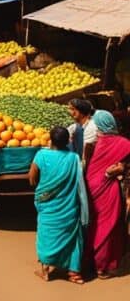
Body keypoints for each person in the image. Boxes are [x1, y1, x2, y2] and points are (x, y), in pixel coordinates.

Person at [29, 127, 89, 284]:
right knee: (74, 237)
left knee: (46, 235)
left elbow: (32, 178)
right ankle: (74, 274)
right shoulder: (73, 158)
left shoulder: (41, 155)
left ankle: (45, 271)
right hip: (69, 206)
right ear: (67, 141)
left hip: (47, 204)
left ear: (51, 139)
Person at [84, 110, 130, 279]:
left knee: (96, 224)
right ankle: (104, 265)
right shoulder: (123, 143)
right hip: (108, 187)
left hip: (92, 188)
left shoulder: (95, 143)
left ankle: (94, 263)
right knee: (109, 226)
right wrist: (120, 169)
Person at [67, 99, 98, 164]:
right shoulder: (76, 126)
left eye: (72, 109)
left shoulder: (91, 127)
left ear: (81, 111)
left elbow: (86, 155)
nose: (69, 112)